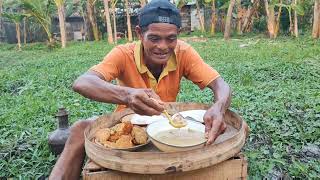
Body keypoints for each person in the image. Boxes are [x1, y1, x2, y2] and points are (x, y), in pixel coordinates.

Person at [49, 0, 247, 179]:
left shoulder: (184, 52)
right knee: (78, 129)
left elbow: (220, 85)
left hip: (166, 125)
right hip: (128, 123)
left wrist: (219, 107)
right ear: (139, 34)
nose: (163, 47)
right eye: (154, 38)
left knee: (239, 126)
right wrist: (127, 95)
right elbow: (83, 82)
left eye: (171, 38)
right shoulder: (122, 54)